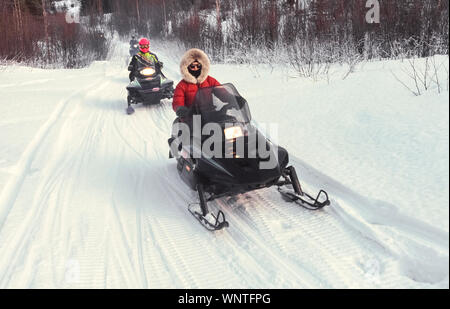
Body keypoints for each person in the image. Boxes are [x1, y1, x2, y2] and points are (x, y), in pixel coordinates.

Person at [172, 48, 221, 114]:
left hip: (209, 114)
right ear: (187, 67)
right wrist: (179, 108)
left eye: (198, 65)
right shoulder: (182, 85)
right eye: (192, 66)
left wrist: (232, 98)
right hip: (191, 116)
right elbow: (177, 100)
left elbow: (221, 91)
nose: (196, 68)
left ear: (202, 66)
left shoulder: (209, 80)